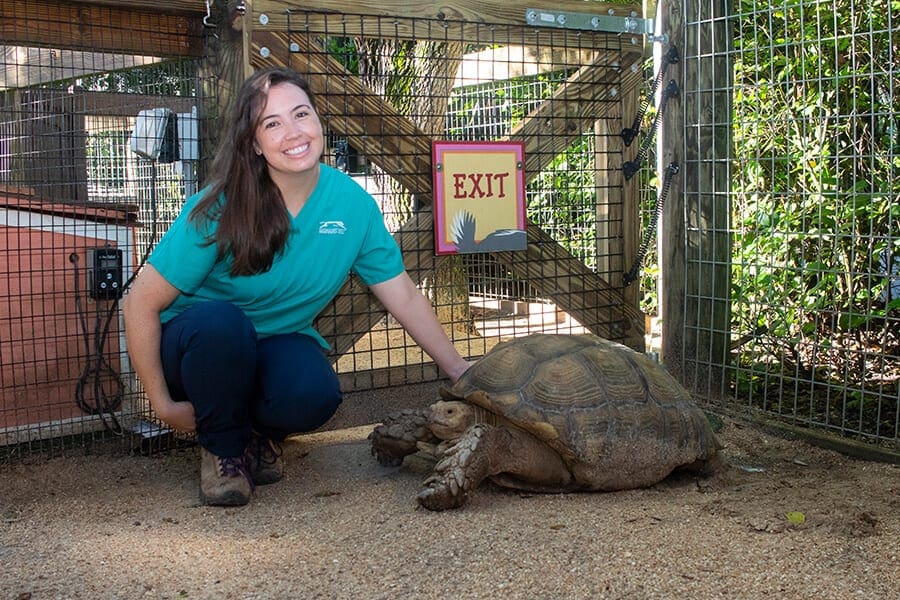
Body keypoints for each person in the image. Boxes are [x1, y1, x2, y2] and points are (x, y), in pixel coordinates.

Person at [123, 66, 471, 507]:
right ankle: (223, 451)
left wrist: (459, 369)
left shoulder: (352, 205)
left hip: (274, 343)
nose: (293, 132)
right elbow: (140, 304)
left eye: (301, 114)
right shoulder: (218, 207)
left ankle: (256, 435)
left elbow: (400, 293)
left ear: (319, 121)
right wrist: (161, 405)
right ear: (254, 143)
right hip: (196, 349)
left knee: (315, 392)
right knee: (221, 325)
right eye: (272, 123)